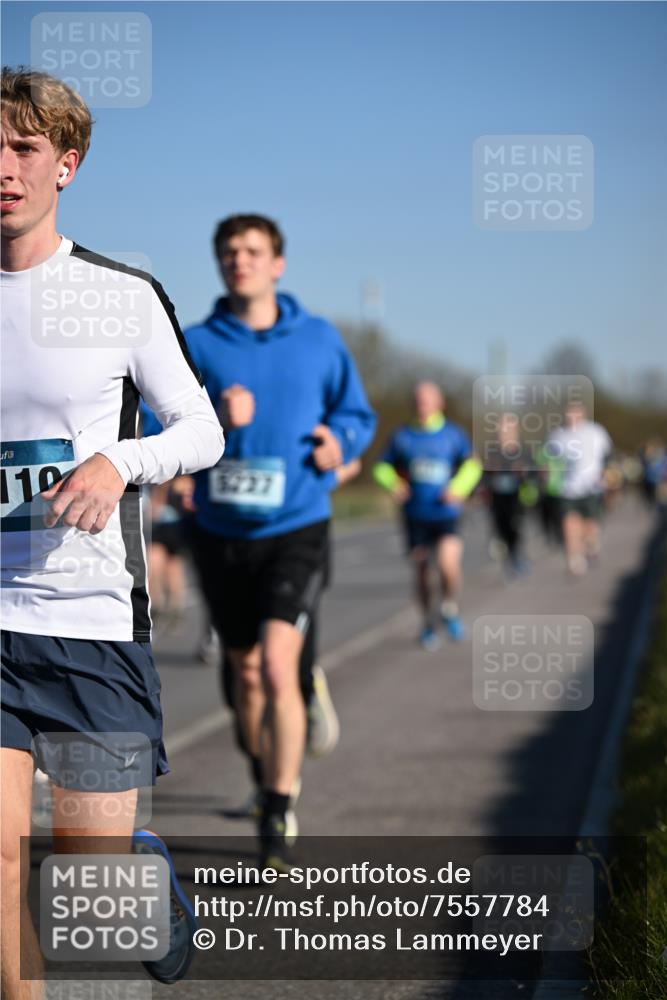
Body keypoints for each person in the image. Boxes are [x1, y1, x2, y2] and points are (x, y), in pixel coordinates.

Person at [0, 68, 224, 996]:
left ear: (67, 164)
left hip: (90, 623)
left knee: (86, 880)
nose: (2, 168)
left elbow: (201, 433)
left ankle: (141, 874)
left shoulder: (119, 295)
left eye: (23, 149)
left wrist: (117, 462)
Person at [184, 214, 376, 870]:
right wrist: (213, 417)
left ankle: (277, 800)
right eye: (229, 252)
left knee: (273, 664)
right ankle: (264, 765)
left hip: (296, 523)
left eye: (252, 251)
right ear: (219, 263)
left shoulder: (318, 340)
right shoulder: (197, 344)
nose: (240, 261)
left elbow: (356, 414)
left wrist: (338, 443)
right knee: (243, 674)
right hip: (217, 531)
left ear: (278, 263)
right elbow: (157, 423)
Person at [373, 382, 482, 650]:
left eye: (427, 400)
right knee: (422, 572)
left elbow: (472, 465)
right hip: (415, 513)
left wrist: (458, 489)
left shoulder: (453, 435)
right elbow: (381, 467)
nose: (422, 404)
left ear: (439, 403)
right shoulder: (402, 436)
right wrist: (393, 484)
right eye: (418, 400)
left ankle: (449, 606)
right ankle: (427, 623)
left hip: (445, 512)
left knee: (447, 564)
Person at [546, 400, 612, 576]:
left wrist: (605, 475)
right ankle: (575, 560)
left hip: (591, 486)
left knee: (590, 527)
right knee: (569, 524)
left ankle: (590, 545)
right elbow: (549, 460)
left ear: (583, 414)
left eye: (576, 413)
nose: (572, 417)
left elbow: (607, 455)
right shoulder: (557, 435)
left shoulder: (595, 431)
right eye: (569, 413)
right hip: (567, 489)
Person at [482, 412, 535, 576]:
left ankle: (517, 557)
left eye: (509, 427)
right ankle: (509, 556)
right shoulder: (490, 451)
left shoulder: (524, 451)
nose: (505, 431)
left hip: (516, 498)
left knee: (515, 527)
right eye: (502, 427)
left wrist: (524, 473)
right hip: (496, 499)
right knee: (500, 529)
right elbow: (481, 474)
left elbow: (534, 473)